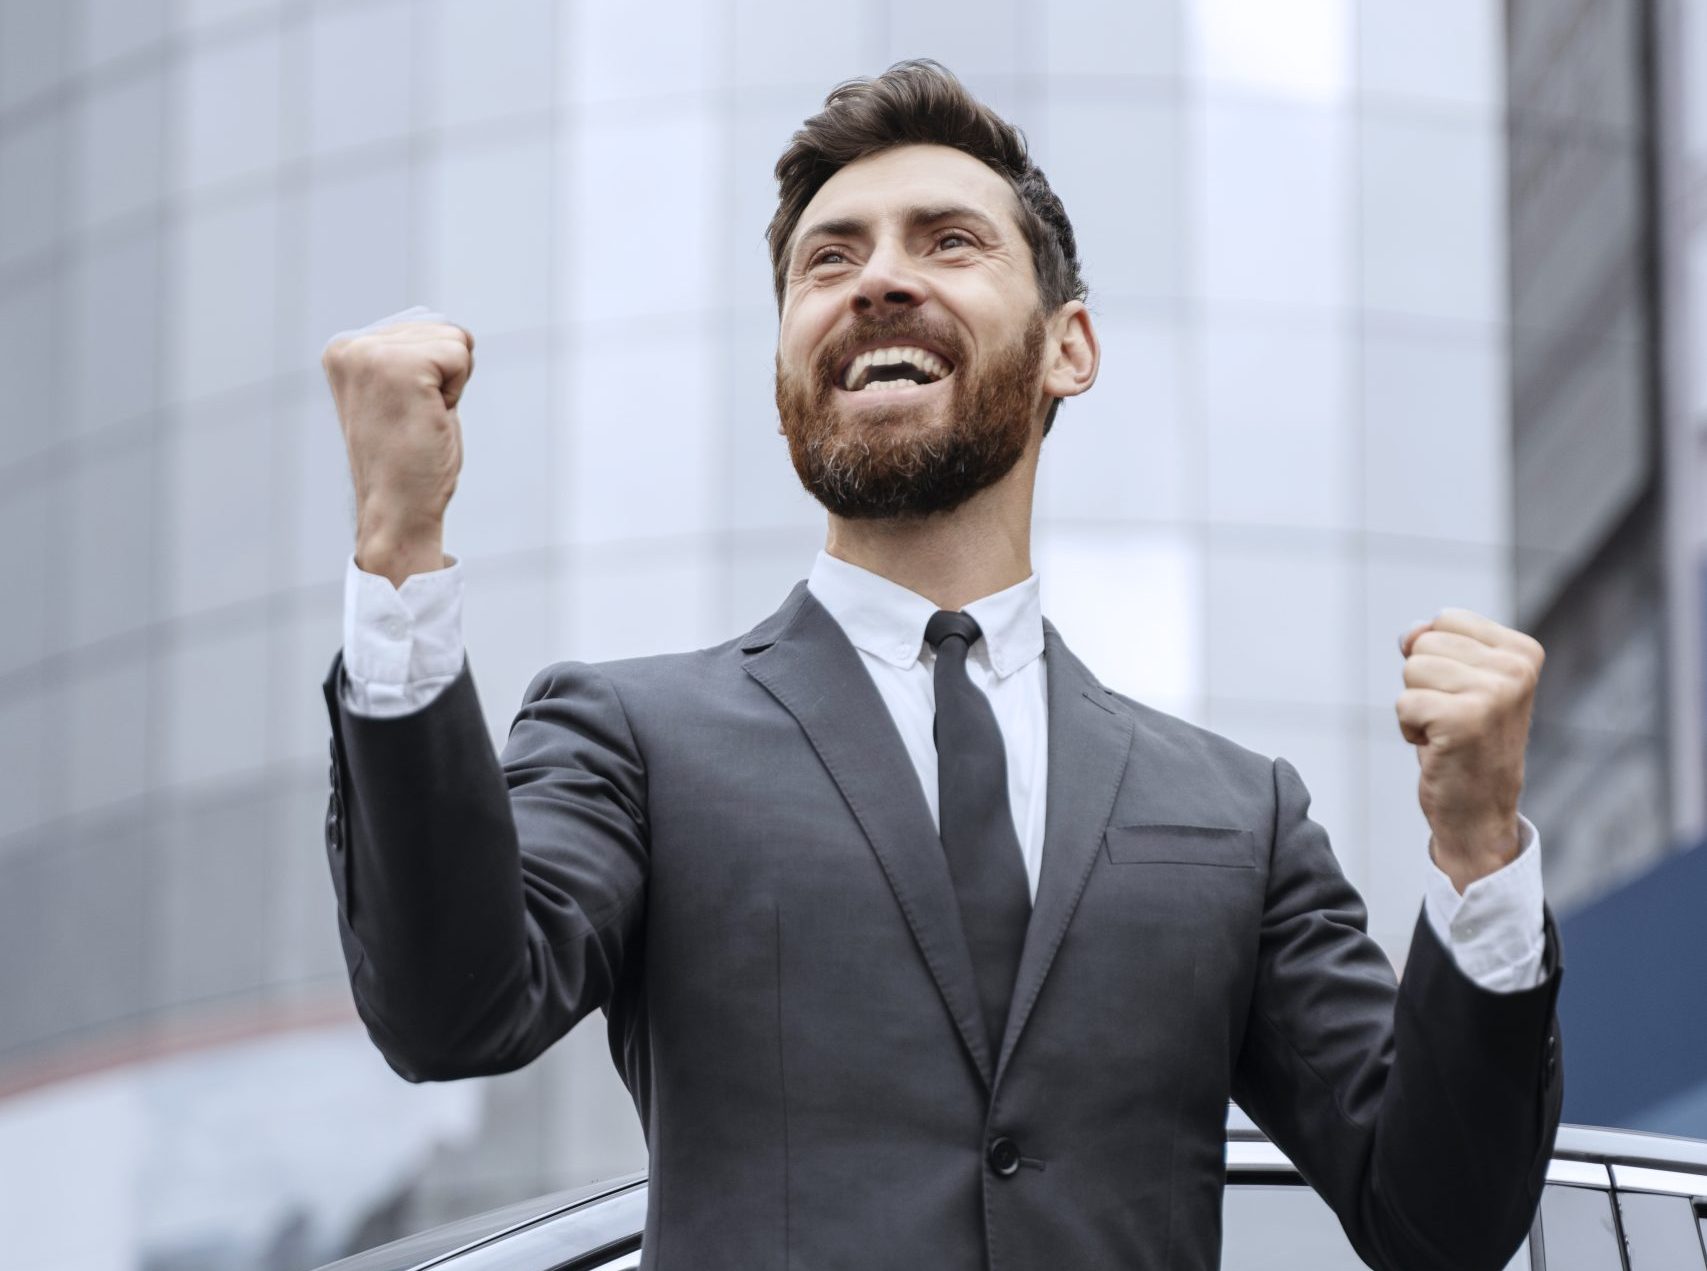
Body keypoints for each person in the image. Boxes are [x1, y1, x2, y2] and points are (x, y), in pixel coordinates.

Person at [319, 60, 1560, 1271]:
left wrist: (1476, 853)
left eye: (949, 241)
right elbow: (453, 1005)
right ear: (786, 369)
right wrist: (400, 558)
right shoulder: (634, 735)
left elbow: (1439, 1219)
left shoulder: (1241, 813)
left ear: (1069, 347)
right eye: (830, 258)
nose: (879, 281)